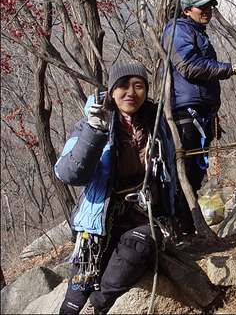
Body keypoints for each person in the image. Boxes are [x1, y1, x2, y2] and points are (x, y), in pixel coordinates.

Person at [56, 60, 177, 314]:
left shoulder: (156, 124)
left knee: (142, 244)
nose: (131, 93)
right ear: (111, 92)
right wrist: (93, 132)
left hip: (141, 220)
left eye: (139, 86)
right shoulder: (91, 122)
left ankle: (96, 307)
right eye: (123, 86)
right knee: (74, 297)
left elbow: (169, 176)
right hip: (99, 225)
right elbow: (68, 173)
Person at [161, 0, 236, 235]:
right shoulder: (178, 30)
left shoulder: (195, 32)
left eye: (209, 7)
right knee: (185, 172)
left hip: (201, 111)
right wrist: (227, 69)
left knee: (195, 172)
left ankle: (187, 227)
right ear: (187, 10)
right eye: (201, 8)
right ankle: (181, 229)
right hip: (186, 112)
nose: (207, 11)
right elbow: (188, 66)